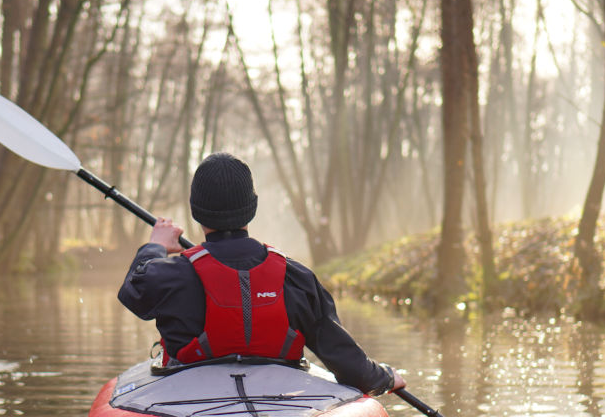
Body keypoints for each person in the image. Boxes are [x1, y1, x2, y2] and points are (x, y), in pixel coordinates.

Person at [117, 152, 405, 396]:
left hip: (191, 402)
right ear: (251, 209)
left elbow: (132, 291)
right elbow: (348, 363)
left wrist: (155, 246)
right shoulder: (296, 277)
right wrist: (384, 377)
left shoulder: (172, 276)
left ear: (196, 212)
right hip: (280, 406)